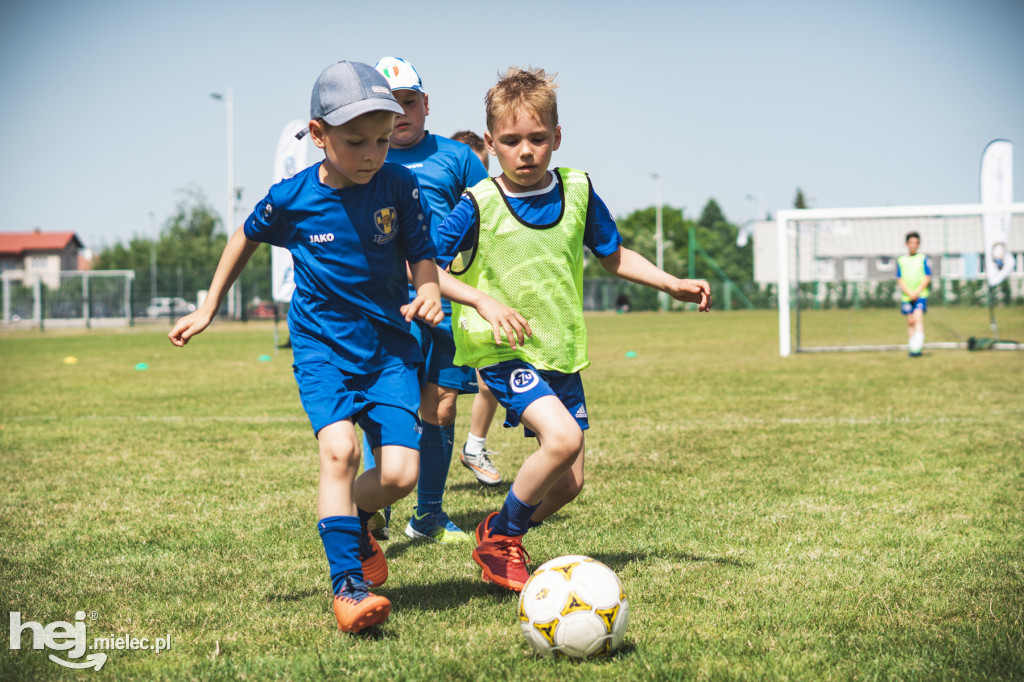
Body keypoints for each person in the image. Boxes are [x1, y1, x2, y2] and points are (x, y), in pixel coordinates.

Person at [168, 61, 527, 632]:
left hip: (389, 351)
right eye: (356, 141)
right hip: (322, 351)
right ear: (319, 135)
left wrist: (430, 291)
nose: (372, 153)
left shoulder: (400, 185)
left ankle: (356, 520)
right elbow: (245, 235)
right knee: (340, 452)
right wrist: (210, 305)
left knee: (400, 476)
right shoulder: (293, 198)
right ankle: (348, 587)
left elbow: (421, 253)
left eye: (382, 140)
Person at [434, 67, 712, 592]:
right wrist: (482, 300)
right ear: (491, 144)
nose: (525, 151)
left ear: (556, 138)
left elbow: (613, 255)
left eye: (537, 139)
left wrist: (669, 282)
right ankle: (503, 542)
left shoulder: (578, 190)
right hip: (501, 350)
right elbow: (425, 266)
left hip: (558, 350)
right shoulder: (477, 204)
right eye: (511, 141)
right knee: (560, 441)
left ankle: (497, 529)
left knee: (569, 484)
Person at [367, 57, 496, 542]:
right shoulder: (367, 157)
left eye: (409, 102)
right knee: (382, 404)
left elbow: (493, 217)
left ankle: (428, 515)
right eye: (390, 104)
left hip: (447, 302)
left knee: (440, 408)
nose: (401, 113)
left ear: (426, 104)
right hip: (384, 303)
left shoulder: (457, 157)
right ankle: (374, 505)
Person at [451, 130, 504, 489]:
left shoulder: (493, 204)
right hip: (446, 304)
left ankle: (474, 446)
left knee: (490, 381)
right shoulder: (454, 212)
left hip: (480, 306)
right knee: (435, 399)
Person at [896, 231, 931, 357]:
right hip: (907, 296)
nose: (914, 245)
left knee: (918, 318)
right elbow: (900, 279)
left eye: (916, 243)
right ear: (906, 244)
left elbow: (927, 277)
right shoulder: (901, 260)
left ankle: (918, 347)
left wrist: (917, 291)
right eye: (911, 242)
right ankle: (912, 347)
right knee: (910, 321)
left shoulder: (922, 258)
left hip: (920, 295)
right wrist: (909, 292)